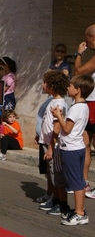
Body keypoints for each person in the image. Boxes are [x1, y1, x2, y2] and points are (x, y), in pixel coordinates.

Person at [50, 74, 94, 225]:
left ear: (78, 90)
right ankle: (79, 211)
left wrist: (58, 116)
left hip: (71, 148)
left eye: (70, 86)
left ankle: (79, 212)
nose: (68, 87)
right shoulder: (84, 107)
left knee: (76, 182)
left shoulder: (76, 108)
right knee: (78, 181)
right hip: (78, 147)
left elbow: (67, 129)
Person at [38, 70, 70, 216]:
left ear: (53, 85)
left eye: (45, 83)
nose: (43, 85)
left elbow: (56, 128)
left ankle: (61, 203)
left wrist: (51, 147)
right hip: (46, 142)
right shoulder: (53, 100)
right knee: (51, 174)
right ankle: (55, 198)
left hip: (54, 145)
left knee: (56, 174)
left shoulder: (59, 104)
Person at [74, 24, 95, 198]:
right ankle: (85, 183)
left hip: (93, 103)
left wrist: (79, 53)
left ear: (92, 38)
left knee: (85, 144)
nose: (86, 42)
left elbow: (78, 72)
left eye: (86, 39)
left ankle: (84, 183)